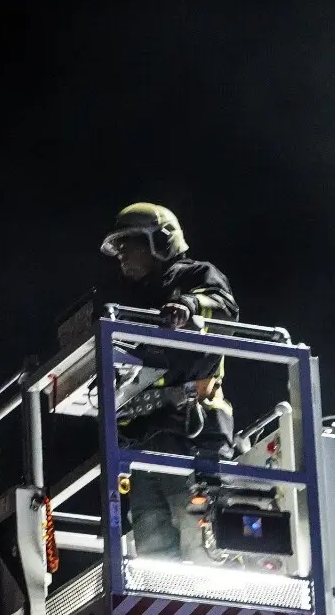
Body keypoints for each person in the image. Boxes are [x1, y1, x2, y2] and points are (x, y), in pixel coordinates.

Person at [97, 202, 239, 557]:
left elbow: (224, 308)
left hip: (193, 435)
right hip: (146, 440)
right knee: (152, 550)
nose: (122, 255)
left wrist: (189, 307)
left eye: (129, 244)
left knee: (200, 544)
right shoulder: (132, 301)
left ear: (160, 242)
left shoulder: (195, 276)